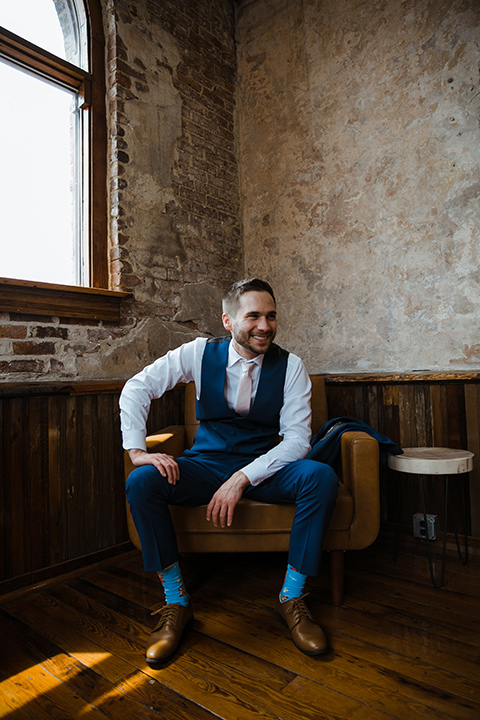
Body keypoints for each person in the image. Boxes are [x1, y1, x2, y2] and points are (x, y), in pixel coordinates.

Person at [120, 278, 338, 665]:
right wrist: (137, 451)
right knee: (142, 482)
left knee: (319, 477)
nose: (264, 326)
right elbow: (137, 387)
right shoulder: (197, 354)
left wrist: (242, 479)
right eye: (253, 316)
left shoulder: (291, 366)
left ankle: (292, 598)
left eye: (271, 316)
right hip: (207, 463)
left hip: (268, 466)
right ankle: (176, 602)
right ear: (227, 320)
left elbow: (297, 441)